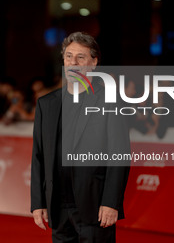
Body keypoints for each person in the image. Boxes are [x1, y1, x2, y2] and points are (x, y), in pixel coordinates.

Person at [30, 32, 130, 243]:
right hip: (57, 207)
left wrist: (111, 202)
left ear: (93, 63)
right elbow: (38, 156)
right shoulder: (46, 104)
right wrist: (38, 202)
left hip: (94, 207)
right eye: (68, 56)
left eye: (80, 57)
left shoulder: (109, 101)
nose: (72, 62)